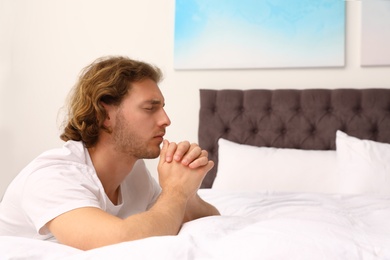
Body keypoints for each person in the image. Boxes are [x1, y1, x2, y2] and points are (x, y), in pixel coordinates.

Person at [0, 56, 220, 250]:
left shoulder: (135, 173)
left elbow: (192, 218)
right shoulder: (52, 177)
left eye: (162, 107)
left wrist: (186, 189)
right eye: (150, 108)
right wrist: (175, 193)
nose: (166, 120)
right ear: (105, 115)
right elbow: (119, 240)